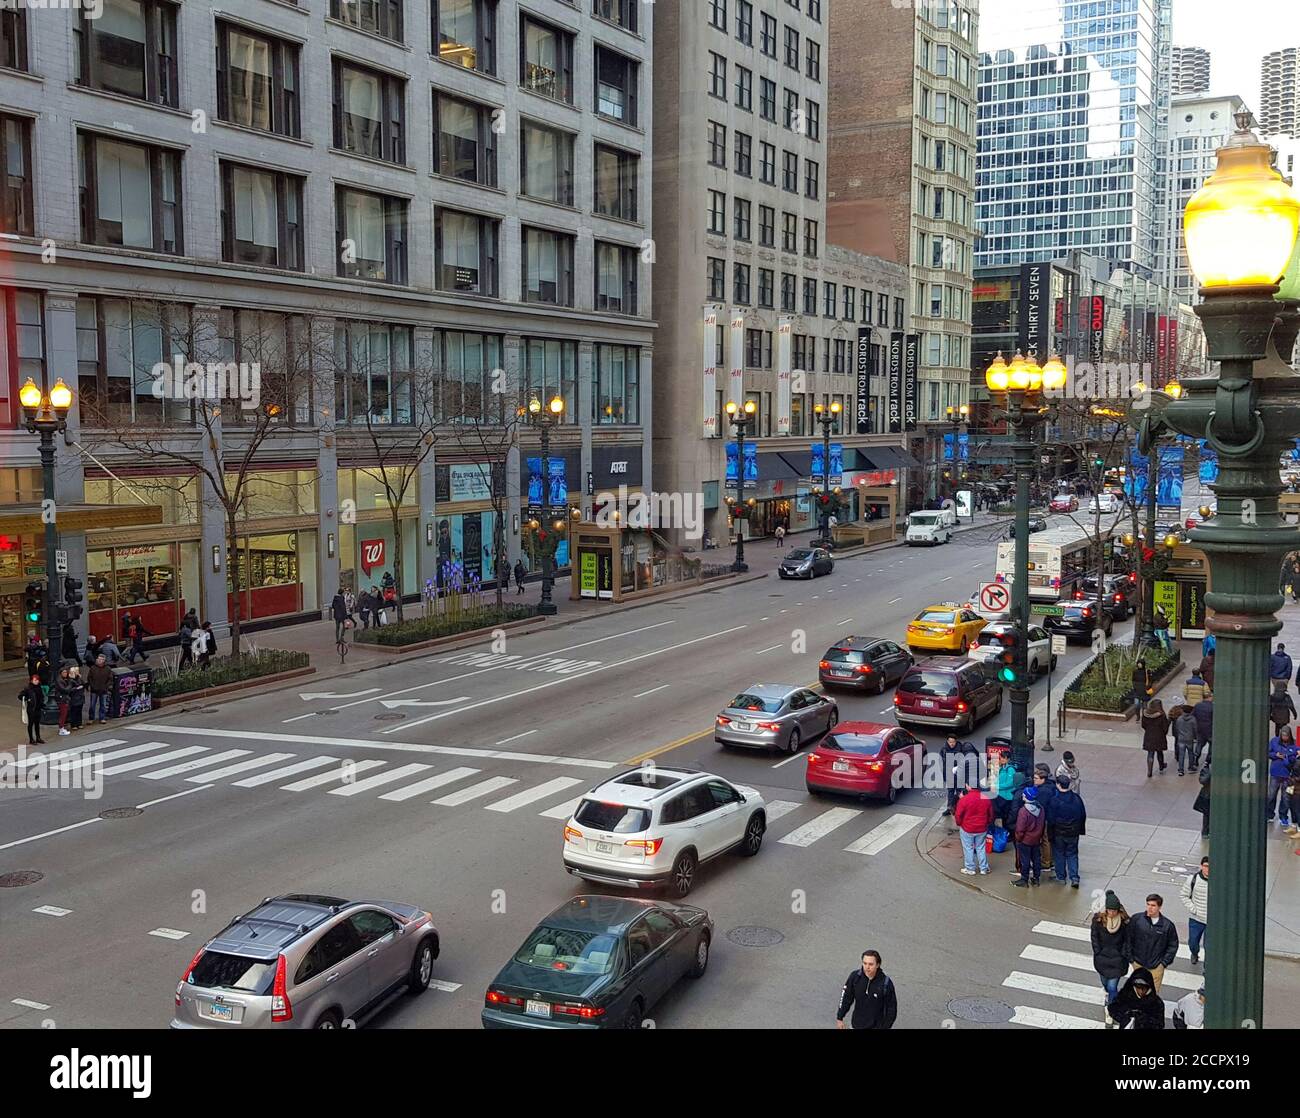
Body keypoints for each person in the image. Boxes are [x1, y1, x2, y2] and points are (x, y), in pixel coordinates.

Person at [1091, 891, 1132, 1022]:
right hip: (1102, 959)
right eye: (1110, 910)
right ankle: (1108, 996)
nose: (1112, 913)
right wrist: (1097, 951)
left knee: (1113, 987)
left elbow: (1128, 940)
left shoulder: (1124, 922)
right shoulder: (1098, 920)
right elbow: (1094, 937)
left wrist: (1123, 954)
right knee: (1105, 983)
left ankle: (1111, 1009)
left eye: (1114, 910)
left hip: (1118, 960)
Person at [1128, 894, 1180, 992]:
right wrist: (1131, 959)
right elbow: (1128, 938)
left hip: (1156, 966)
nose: (1149, 908)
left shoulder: (1167, 925)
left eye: (1153, 905)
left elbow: (1173, 945)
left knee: (1152, 994)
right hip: (1138, 963)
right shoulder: (1137, 920)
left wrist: (1163, 963)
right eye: (1148, 904)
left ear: (1159, 907)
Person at [835, 949, 897, 1030]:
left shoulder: (885, 983)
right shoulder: (855, 977)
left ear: (878, 965)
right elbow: (846, 998)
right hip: (856, 1025)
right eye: (865, 963)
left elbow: (891, 1009)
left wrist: (885, 1027)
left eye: (871, 964)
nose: (867, 967)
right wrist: (840, 1018)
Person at [1046, 774, 1087, 887]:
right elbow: (1082, 815)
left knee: (1059, 854)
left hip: (1059, 833)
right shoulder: (1076, 799)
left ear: (1058, 785)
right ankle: (1074, 877)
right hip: (1073, 832)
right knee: (1072, 854)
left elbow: (1051, 820)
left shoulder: (1054, 801)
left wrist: (1050, 834)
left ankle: (1061, 877)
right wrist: (1080, 830)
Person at [954, 781, 994, 875]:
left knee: (968, 848)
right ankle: (983, 868)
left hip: (967, 828)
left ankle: (970, 868)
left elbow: (958, 815)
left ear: (968, 786)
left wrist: (959, 824)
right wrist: (987, 823)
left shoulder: (964, 800)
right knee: (981, 847)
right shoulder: (986, 798)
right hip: (982, 828)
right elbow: (991, 815)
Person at [1013, 785, 1045, 887]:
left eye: (1024, 794)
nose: (1022, 795)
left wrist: (1018, 838)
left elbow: (1020, 828)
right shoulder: (1041, 808)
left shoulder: (1023, 811)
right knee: (1036, 859)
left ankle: (1024, 879)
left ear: (1026, 796)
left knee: (1025, 860)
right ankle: (1036, 878)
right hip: (1036, 839)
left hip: (1025, 840)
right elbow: (1042, 823)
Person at [1181, 856, 1209, 966]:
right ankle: (1194, 953)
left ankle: (1207, 967)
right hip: (1196, 919)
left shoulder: (1219, 881)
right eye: (1206, 866)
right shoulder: (1193, 879)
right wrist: (1193, 909)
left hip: (1211, 920)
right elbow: (1184, 895)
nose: (1208, 869)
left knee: (1209, 946)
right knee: (1193, 942)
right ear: (1201, 866)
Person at [1267, 726, 1298, 826]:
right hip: (1275, 773)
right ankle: (1269, 814)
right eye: (1283, 735)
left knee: (1286, 797)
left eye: (1286, 735)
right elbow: (1268, 752)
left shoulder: (1294, 744)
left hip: (1287, 775)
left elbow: (1295, 757)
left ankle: (1283, 816)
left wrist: (1287, 758)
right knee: (1271, 795)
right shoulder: (1274, 742)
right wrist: (1276, 755)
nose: (1285, 737)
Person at [939, 736, 976, 815]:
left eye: (953, 742)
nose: (951, 744)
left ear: (956, 741)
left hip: (959, 775)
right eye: (950, 742)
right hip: (950, 775)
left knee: (960, 792)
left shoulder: (961, 749)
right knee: (950, 792)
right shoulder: (944, 749)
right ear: (947, 741)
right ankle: (949, 808)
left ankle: (960, 808)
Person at [1141, 698, 1170, 778]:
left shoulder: (1145, 714)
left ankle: (1149, 771)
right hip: (1159, 736)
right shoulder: (1162, 715)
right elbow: (1165, 727)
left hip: (1149, 735)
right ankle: (1161, 766)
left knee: (1150, 753)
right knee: (1159, 751)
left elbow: (1143, 725)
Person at [1172, 703, 1198, 777]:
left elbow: (1177, 728)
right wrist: (1195, 737)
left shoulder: (1179, 719)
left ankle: (1181, 770)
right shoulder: (1193, 719)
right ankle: (1190, 767)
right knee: (1191, 753)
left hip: (1181, 738)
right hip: (1189, 738)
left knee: (1181, 754)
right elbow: (1195, 729)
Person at [18, 674, 45, 745]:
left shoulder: (39, 687)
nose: (36, 681)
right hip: (31, 709)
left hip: (38, 708)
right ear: (32, 680)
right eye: (35, 680)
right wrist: (27, 699)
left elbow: (41, 696)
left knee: (37, 724)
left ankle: (38, 737)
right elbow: (20, 696)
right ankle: (31, 739)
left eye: (37, 680)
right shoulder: (28, 688)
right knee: (31, 724)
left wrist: (42, 703)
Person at [87, 654, 112, 724]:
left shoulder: (108, 669)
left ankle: (102, 718)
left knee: (103, 705)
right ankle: (91, 718)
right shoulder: (93, 668)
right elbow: (89, 678)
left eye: (101, 659)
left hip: (103, 690)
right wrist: (92, 686)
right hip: (94, 690)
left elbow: (110, 679)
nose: (99, 660)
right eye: (98, 659)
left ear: (104, 660)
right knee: (92, 705)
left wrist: (106, 686)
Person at [1191, 694, 1213, 770]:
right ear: (1209, 698)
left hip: (1200, 729)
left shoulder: (1197, 705)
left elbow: (1193, 715)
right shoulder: (1213, 706)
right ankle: (1207, 762)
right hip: (1210, 730)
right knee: (1211, 746)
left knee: (1199, 745)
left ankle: (1195, 760)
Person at [52, 664, 74, 736]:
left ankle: (62, 727)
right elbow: (65, 690)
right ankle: (61, 729)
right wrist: (70, 685)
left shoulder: (64, 679)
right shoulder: (59, 680)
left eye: (66, 672)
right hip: (62, 699)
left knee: (64, 714)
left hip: (64, 699)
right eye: (64, 672)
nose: (65, 674)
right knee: (63, 714)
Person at [1193, 761, 1212, 837]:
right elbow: (1203, 781)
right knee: (1207, 814)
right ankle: (1205, 831)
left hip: (1210, 795)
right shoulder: (1208, 769)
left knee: (1208, 814)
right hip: (1208, 795)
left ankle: (1208, 830)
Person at [67, 664, 85, 731]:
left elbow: (83, 684)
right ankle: (74, 724)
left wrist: (80, 677)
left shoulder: (78, 678)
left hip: (80, 697)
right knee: (73, 712)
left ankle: (79, 723)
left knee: (79, 711)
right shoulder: (70, 680)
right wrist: (76, 688)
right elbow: (69, 689)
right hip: (74, 698)